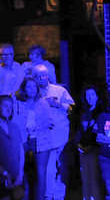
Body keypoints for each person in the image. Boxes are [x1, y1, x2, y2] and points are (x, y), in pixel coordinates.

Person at [32, 64, 75, 200]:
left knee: (62, 168)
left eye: (43, 76)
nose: (40, 79)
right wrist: (44, 101)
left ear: (47, 75)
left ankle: (61, 196)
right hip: (44, 138)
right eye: (37, 77)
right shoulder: (33, 93)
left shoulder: (59, 90)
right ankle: (48, 195)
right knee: (48, 169)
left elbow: (72, 109)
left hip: (61, 135)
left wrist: (58, 104)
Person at [12, 77, 54, 200]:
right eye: (29, 87)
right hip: (23, 140)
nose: (32, 89)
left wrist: (37, 128)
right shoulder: (18, 104)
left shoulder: (43, 103)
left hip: (41, 141)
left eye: (34, 87)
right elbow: (14, 121)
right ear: (24, 89)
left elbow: (50, 122)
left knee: (41, 173)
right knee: (21, 171)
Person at [0, 95, 25, 200]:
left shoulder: (15, 127)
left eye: (10, 106)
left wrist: (20, 173)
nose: (8, 108)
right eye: (5, 105)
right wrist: (5, 174)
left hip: (17, 177)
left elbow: (21, 151)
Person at [75, 85, 105, 200]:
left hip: (95, 150)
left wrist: (90, 147)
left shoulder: (101, 113)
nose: (89, 98)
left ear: (97, 97)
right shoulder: (83, 112)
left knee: (94, 179)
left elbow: (100, 132)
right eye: (87, 95)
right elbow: (79, 130)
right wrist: (77, 143)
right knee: (85, 178)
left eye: (92, 95)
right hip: (82, 150)